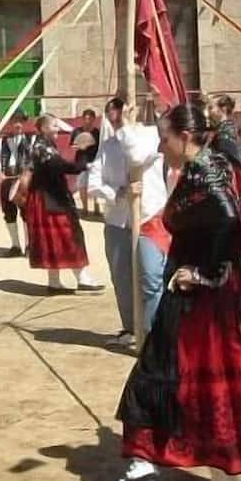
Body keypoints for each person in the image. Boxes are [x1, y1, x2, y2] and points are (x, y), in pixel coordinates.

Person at [108, 104, 241, 481]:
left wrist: (204, 272)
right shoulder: (200, 168)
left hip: (208, 302)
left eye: (165, 138)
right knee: (176, 381)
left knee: (201, 389)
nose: (161, 146)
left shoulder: (209, 171)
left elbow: (230, 222)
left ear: (186, 136)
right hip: (195, 297)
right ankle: (184, 478)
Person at [86, 98, 169, 347]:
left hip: (148, 216)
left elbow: (136, 156)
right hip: (117, 220)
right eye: (112, 113)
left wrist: (126, 128)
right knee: (122, 279)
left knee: (151, 277)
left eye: (120, 111)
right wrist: (118, 193)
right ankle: (131, 328)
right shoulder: (107, 146)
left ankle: (153, 332)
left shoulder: (151, 135)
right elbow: (92, 184)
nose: (115, 116)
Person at [25, 113, 104, 292]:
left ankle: (55, 282)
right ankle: (81, 278)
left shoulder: (42, 145)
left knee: (55, 239)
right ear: (44, 128)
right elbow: (63, 167)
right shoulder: (42, 148)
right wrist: (83, 154)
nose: (57, 129)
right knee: (68, 235)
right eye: (54, 126)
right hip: (50, 199)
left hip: (47, 198)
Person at [207, 95, 241, 251]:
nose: (209, 111)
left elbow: (227, 155)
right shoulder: (221, 128)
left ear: (223, 109)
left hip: (229, 173)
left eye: (211, 107)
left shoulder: (225, 130)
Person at [0, 111, 33, 256]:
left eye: (20, 121)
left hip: (24, 180)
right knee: (9, 213)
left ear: (24, 123)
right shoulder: (1, 142)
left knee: (27, 214)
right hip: (8, 179)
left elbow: (35, 160)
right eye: (14, 121)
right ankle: (15, 246)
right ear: (9, 123)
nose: (17, 124)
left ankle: (29, 246)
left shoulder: (30, 140)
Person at [72, 109, 101, 217]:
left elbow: (100, 147)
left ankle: (97, 207)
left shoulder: (97, 133)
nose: (88, 120)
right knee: (82, 186)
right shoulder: (77, 132)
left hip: (94, 162)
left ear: (93, 119)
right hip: (81, 162)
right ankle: (85, 208)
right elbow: (72, 146)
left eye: (90, 118)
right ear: (82, 119)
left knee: (96, 185)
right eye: (86, 118)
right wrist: (80, 146)